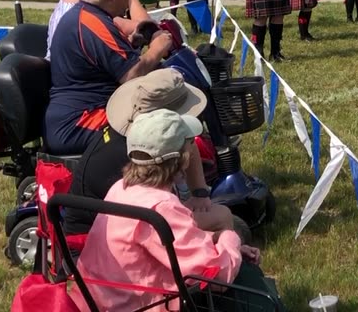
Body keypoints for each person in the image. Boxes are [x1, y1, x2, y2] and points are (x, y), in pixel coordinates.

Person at [71, 109, 281, 312]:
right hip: (139, 304)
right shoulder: (161, 207)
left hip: (101, 300)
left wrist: (219, 243)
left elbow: (173, 246)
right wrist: (230, 238)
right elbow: (217, 277)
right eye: (188, 145)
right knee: (254, 290)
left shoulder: (122, 188)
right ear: (181, 159)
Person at [65, 69, 236, 237]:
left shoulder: (141, 136)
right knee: (223, 217)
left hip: (136, 220)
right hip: (101, 238)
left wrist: (200, 193)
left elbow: (189, 143)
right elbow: (156, 221)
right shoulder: (136, 154)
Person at [46, 0, 175, 155]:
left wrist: (134, 43)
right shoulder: (92, 23)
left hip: (92, 109)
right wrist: (157, 48)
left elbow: (105, 59)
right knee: (160, 129)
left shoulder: (89, 15)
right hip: (79, 120)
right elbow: (130, 76)